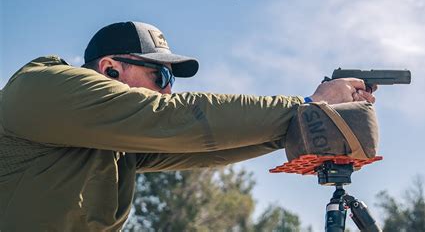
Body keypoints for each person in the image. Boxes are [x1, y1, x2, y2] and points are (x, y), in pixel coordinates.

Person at [0, 21, 375, 231]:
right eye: (159, 75)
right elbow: (175, 118)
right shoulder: (43, 88)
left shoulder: (110, 143)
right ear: (110, 69)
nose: (166, 90)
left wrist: (303, 126)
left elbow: (202, 147)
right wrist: (308, 105)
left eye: (171, 82)